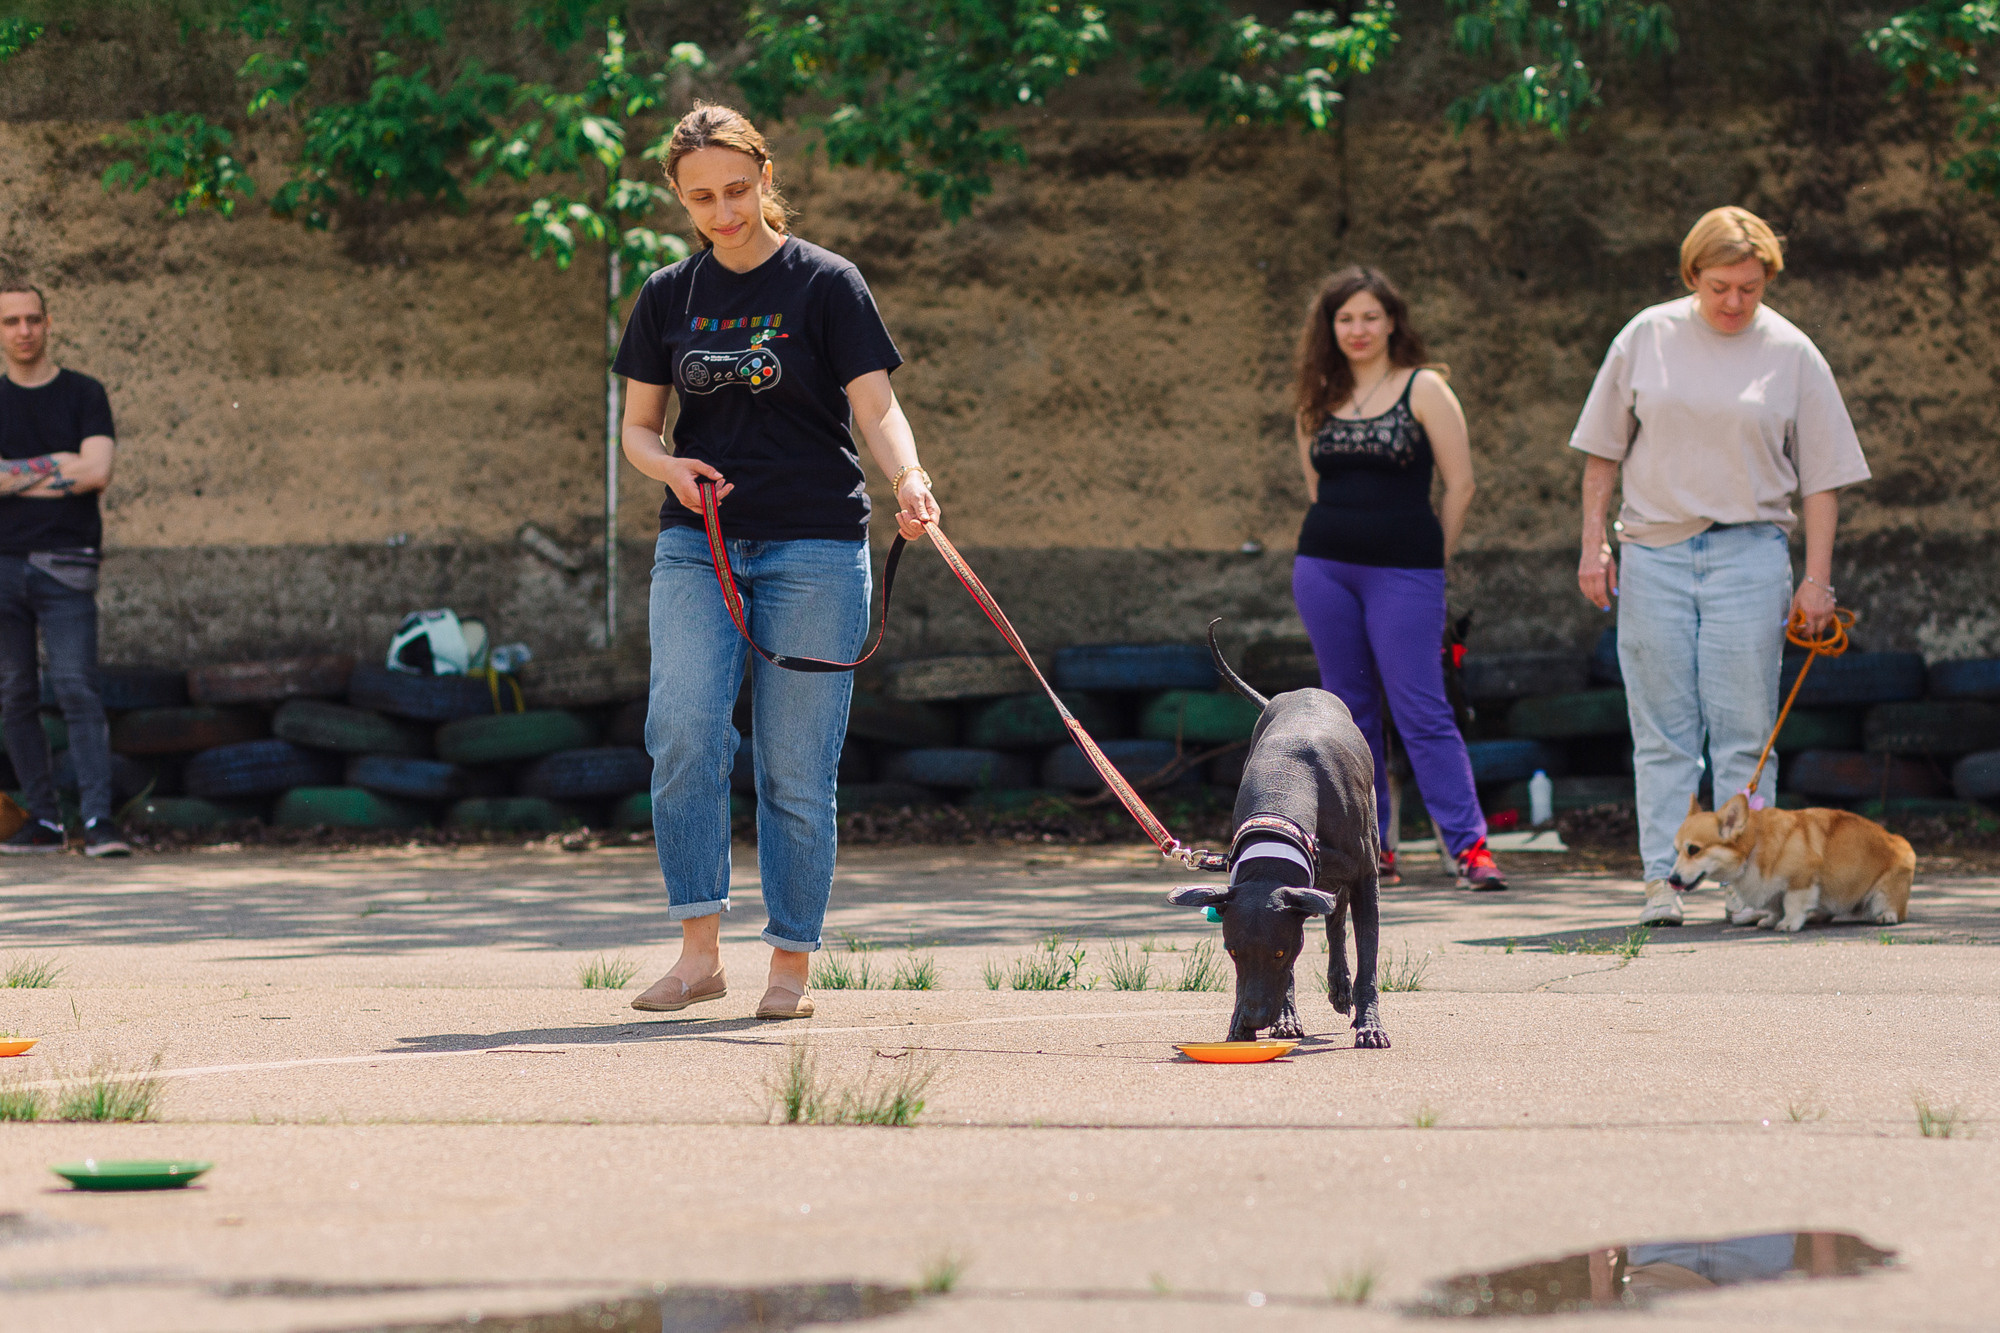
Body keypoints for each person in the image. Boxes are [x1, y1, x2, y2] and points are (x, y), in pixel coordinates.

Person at [613, 105, 939, 1020]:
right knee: (682, 734)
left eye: (738, 189)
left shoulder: (827, 284)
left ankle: (790, 964)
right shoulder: (666, 295)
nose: (724, 211)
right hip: (699, 542)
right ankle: (697, 953)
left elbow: (874, 405)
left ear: (765, 175)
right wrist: (669, 467)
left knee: (797, 765)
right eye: (702, 197)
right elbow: (638, 430)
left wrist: (910, 477)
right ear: (679, 199)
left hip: (816, 545)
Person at [1570, 206, 1869, 926]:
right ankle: (1661, 882)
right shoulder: (1646, 336)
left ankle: (1750, 887)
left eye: (1749, 287)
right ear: (1691, 277)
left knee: (1745, 732)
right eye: (1718, 287)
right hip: (1655, 549)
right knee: (1663, 731)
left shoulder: (1792, 351)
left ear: (1767, 280)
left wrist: (1816, 578)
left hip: (1750, 552)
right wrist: (1593, 545)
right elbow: (1601, 454)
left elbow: (1821, 476)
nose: (1734, 302)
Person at [1289, 267, 1504, 891]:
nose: (1358, 329)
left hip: (1407, 571)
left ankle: (1470, 850)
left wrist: (1435, 558)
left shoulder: (1425, 389)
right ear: (1330, 327)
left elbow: (1461, 483)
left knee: (1422, 709)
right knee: (1349, 712)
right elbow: (1315, 489)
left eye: (1370, 316)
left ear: (1392, 322)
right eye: (1345, 318)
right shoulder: (1315, 397)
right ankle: (1371, 850)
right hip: (1324, 567)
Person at [0, 281, 128, 857]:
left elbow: (96, 472)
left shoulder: (84, 394)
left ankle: (99, 823)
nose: (23, 332)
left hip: (67, 569)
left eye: (32, 320)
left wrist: (14, 476)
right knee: (15, 695)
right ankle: (46, 824)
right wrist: (58, 464)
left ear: (49, 324)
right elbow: (74, 470)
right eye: (10, 322)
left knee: (78, 689)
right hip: (1, 568)